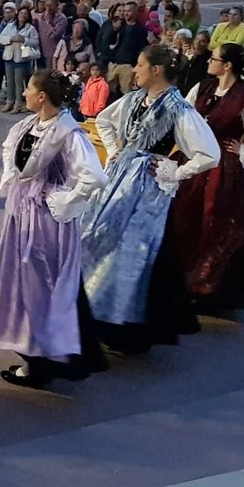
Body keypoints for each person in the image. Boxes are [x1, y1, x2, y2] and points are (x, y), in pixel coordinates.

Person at [80, 45, 220, 355]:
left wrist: (177, 171)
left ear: (156, 70)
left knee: (132, 251)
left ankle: (127, 329)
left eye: (140, 65)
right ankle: (97, 315)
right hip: (118, 179)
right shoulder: (133, 99)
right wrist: (114, 150)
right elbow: (103, 120)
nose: (135, 70)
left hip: (146, 187)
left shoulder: (178, 108)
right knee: (98, 239)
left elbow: (209, 153)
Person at [0, 72, 109, 390]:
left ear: (42, 97)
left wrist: (65, 198)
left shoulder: (68, 134)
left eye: (29, 88)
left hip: (47, 222)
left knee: (43, 285)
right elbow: (11, 151)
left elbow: (94, 177)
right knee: (25, 282)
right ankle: (35, 356)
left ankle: (45, 360)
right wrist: (11, 177)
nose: (24, 93)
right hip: (23, 216)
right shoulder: (29, 125)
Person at [166, 42, 244, 311]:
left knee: (218, 220)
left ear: (227, 66)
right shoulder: (203, 88)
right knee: (186, 216)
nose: (209, 61)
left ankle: (211, 288)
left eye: (215, 58)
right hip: (196, 160)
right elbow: (182, 117)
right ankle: (184, 281)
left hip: (224, 166)